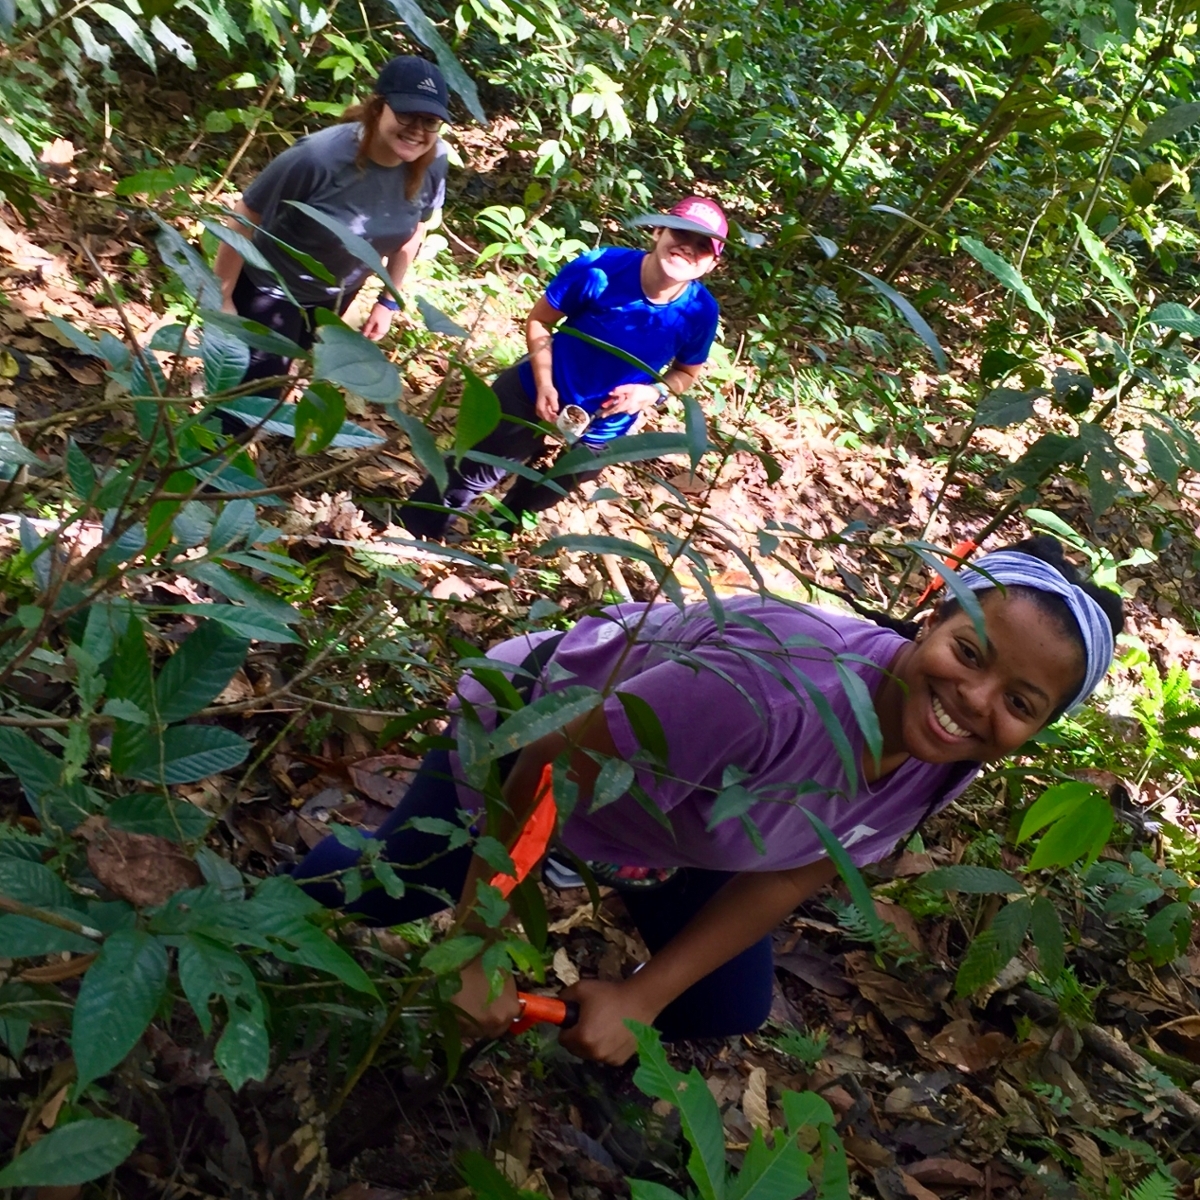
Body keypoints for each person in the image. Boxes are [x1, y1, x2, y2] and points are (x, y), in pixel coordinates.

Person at [292, 537, 1123, 1064]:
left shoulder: (946, 753)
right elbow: (548, 763)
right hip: (529, 736)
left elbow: (795, 873)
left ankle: (588, 1057)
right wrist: (475, 947)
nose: (976, 701)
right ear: (931, 619)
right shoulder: (773, 694)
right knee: (399, 883)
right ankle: (255, 906)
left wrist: (640, 998)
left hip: (672, 822)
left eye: (1020, 703)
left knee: (720, 1002)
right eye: (969, 653)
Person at [399, 196, 726, 538]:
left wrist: (651, 393)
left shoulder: (700, 311)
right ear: (658, 231)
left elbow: (686, 373)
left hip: (602, 425)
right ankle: (411, 539)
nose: (687, 248)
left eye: (702, 247)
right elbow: (540, 321)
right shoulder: (602, 268)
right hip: (535, 390)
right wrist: (544, 383)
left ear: (711, 265)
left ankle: (489, 544)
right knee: (470, 473)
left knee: (540, 495)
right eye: (681, 234)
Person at [212, 56, 451, 398]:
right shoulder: (318, 157)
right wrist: (221, 297)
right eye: (406, 114)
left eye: (430, 121)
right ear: (377, 108)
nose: (417, 129)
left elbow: (415, 231)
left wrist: (388, 300)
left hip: (336, 292)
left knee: (283, 374)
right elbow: (247, 215)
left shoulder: (433, 162)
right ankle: (220, 442)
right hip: (272, 287)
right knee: (251, 393)